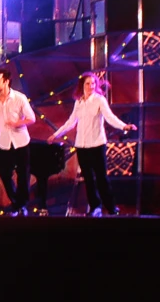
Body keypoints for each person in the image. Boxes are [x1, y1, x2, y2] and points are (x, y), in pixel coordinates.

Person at [47, 72, 137, 217]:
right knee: (88, 179)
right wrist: (56, 135)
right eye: (88, 84)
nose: (91, 86)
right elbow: (71, 122)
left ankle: (111, 207)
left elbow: (110, 117)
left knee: (101, 178)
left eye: (93, 84)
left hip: (97, 144)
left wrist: (124, 126)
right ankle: (95, 207)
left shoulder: (99, 100)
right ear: (82, 85)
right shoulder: (79, 102)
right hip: (82, 146)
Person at [0, 69, 36, 216]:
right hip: (3, 142)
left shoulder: (19, 98)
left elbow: (32, 118)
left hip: (20, 141)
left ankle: (21, 205)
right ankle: (16, 201)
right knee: (4, 173)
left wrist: (16, 123)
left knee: (23, 175)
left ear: (6, 81)